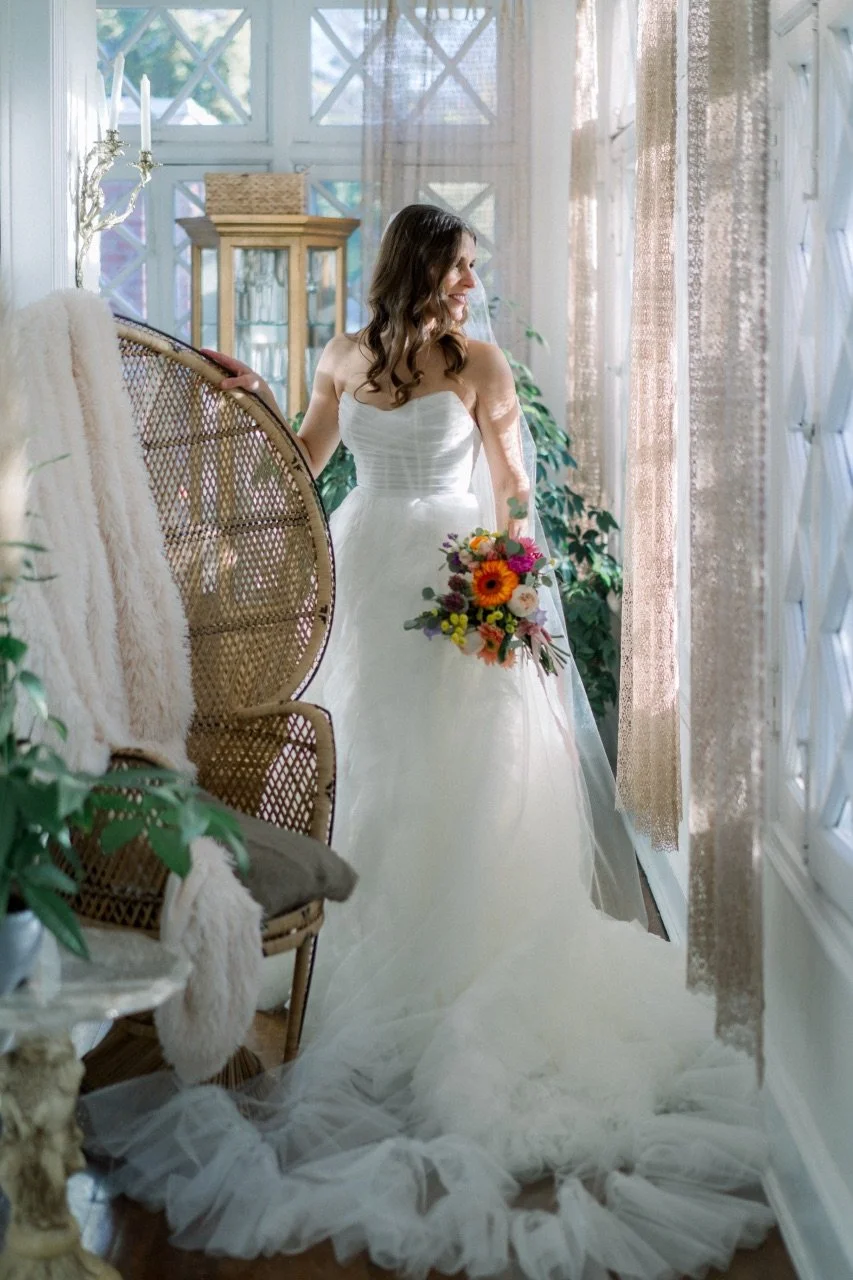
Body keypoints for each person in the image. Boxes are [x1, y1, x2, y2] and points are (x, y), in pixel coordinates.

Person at [85, 205, 773, 1280]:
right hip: (365, 579)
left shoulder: (481, 364)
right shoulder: (344, 356)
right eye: (455, 268)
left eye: (470, 271)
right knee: (378, 767)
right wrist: (252, 401)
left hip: (458, 589)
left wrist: (503, 592)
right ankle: (365, 949)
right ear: (417, 266)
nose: (467, 284)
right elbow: (307, 462)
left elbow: (516, 492)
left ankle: (459, 962)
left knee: (464, 774)